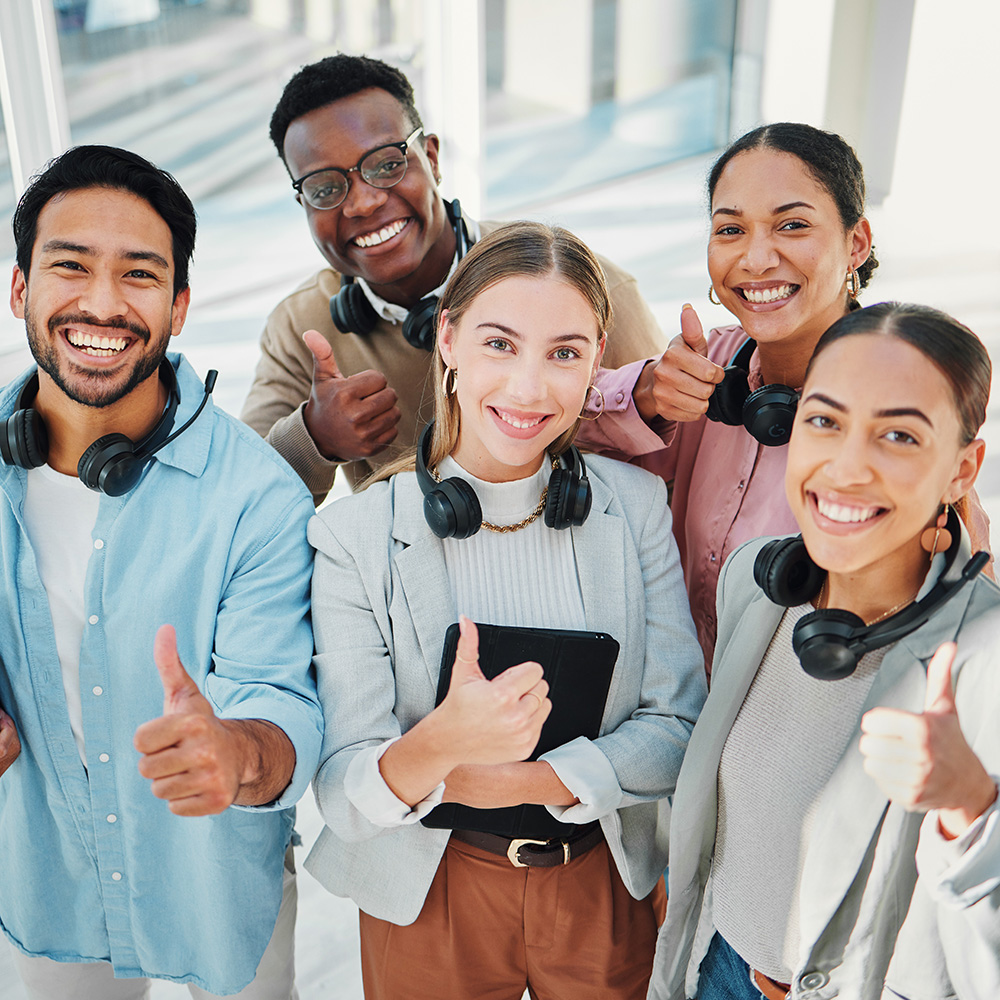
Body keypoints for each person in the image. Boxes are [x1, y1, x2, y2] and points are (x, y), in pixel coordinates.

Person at [304, 221, 706, 999]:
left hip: (599, 881)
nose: (529, 389)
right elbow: (341, 793)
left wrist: (521, 781)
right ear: (447, 339)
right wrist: (436, 749)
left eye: (565, 352)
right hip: (427, 886)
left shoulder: (636, 506)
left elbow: (678, 730)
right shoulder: (355, 535)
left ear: (597, 362)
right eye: (499, 343)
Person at [0, 145, 322, 999]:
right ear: (19, 289)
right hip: (46, 876)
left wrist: (238, 751)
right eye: (70, 267)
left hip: (214, 886)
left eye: (139, 275)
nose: (103, 303)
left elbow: (280, 696)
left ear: (179, 307)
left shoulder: (259, 497)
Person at [650, 302, 1000, 1000]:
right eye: (824, 420)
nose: (846, 468)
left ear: (963, 470)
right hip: (722, 970)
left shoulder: (983, 658)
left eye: (898, 435)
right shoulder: (759, 580)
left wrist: (973, 808)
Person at [575, 122, 990, 670]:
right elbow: (545, 431)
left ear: (856, 243)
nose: (756, 259)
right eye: (730, 231)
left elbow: (966, 632)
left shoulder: (907, 398)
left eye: (792, 225)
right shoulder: (707, 370)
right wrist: (645, 393)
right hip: (667, 693)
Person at [239, 52, 666, 504]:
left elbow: (673, 468)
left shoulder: (587, 292)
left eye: (386, 164)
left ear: (433, 158)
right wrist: (315, 440)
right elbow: (236, 498)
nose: (362, 203)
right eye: (324, 188)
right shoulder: (300, 326)